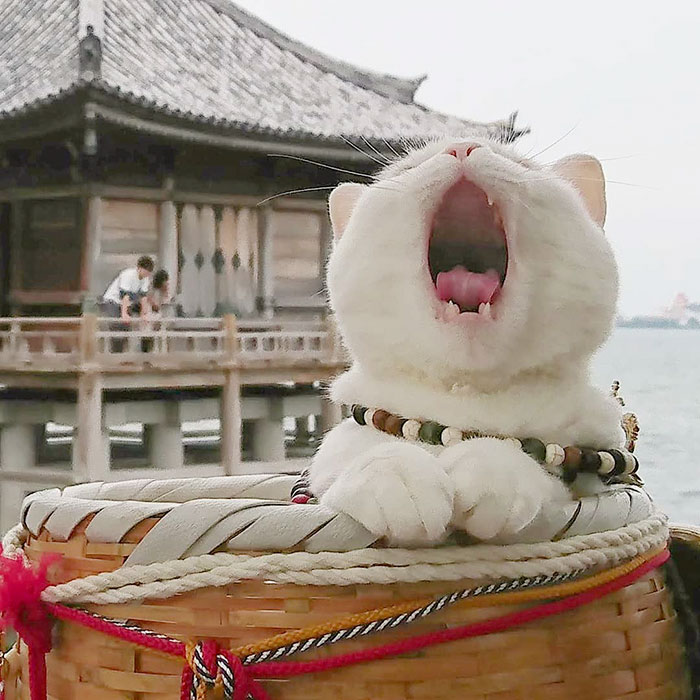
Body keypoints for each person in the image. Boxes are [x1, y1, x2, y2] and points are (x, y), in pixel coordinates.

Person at [101, 256, 154, 320]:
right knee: (116, 323)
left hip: (126, 302)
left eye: (149, 272)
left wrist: (143, 314)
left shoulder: (145, 278)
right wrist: (124, 314)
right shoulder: (128, 275)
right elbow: (125, 296)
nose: (147, 274)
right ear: (139, 268)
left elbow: (143, 297)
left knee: (126, 326)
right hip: (112, 300)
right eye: (146, 271)